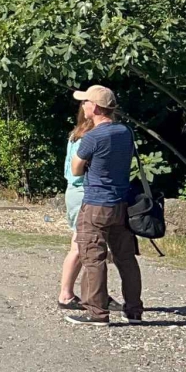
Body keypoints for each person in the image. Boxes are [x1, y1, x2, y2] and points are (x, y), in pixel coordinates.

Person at [65, 84, 144, 326]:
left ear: (95, 107)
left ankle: (97, 313)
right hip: (121, 204)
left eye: (85, 102)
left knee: (93, 258)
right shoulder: (125, 132)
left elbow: (76, 169)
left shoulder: (93, 136)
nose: (83, 106)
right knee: (126, 259)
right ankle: (134, 311)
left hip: (96, 204)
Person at [55, 103, 92, 309]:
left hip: (74, 190)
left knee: (78, 244)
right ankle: (66, 294)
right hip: (82, 191)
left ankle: (85, 292)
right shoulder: (89, 136)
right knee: (79, 245)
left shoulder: (76, 133)